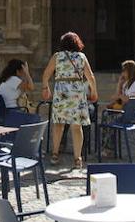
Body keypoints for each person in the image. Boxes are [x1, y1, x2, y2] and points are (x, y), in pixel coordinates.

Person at [41, 32, 96, 169]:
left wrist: (45, 88)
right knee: (76, 127)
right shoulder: (81, 57)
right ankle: (77, 159)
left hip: (61, 92)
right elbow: (91, 77)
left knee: (58, 124)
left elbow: (46, 74)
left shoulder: (57, 57)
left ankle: (55, 154)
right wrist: (94, 92)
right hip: (77, 92)